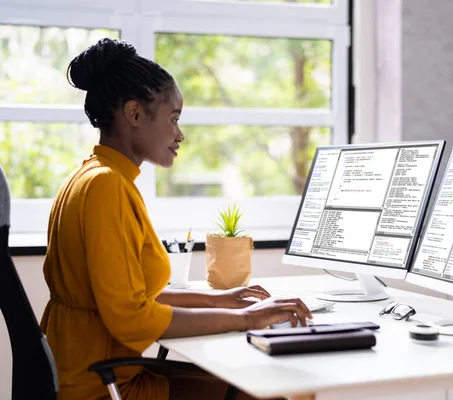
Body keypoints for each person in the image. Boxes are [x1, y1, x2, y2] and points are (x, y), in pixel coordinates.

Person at [40, 38, 311, 400]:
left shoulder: (93, 175)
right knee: (271, 389)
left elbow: (125, 297)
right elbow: (132, 317)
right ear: (135, 114)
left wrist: (221, 300)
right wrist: (247, 319)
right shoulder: (106, 186)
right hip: (99, 387)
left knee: (253, 379)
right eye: (174, 118)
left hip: (91, 371)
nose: (179, 134)